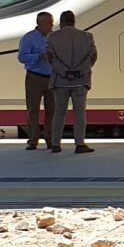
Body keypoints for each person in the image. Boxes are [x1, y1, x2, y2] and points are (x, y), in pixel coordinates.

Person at [46, 10, 97, 153]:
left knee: (59, 113)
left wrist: (64, 72)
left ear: (61, 22)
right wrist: (79, 72)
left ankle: (56, 144)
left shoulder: (52, 37)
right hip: (80, 81)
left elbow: (51, 57)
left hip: (60, 81)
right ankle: (80, 144)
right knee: (80, 113)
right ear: (74, 21)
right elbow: (92, 57)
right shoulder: (87, 36)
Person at [17, 11, 55, 151]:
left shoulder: (54, 37)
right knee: (33, 109)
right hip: (35, 76)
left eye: (51, 22)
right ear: (40, 24)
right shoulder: (29, 38)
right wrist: (38, 56)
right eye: (48, 23)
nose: (51, 25)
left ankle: (51, 139)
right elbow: (22, 57)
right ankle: (33, 140)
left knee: (52, 109)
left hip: (52, 76)